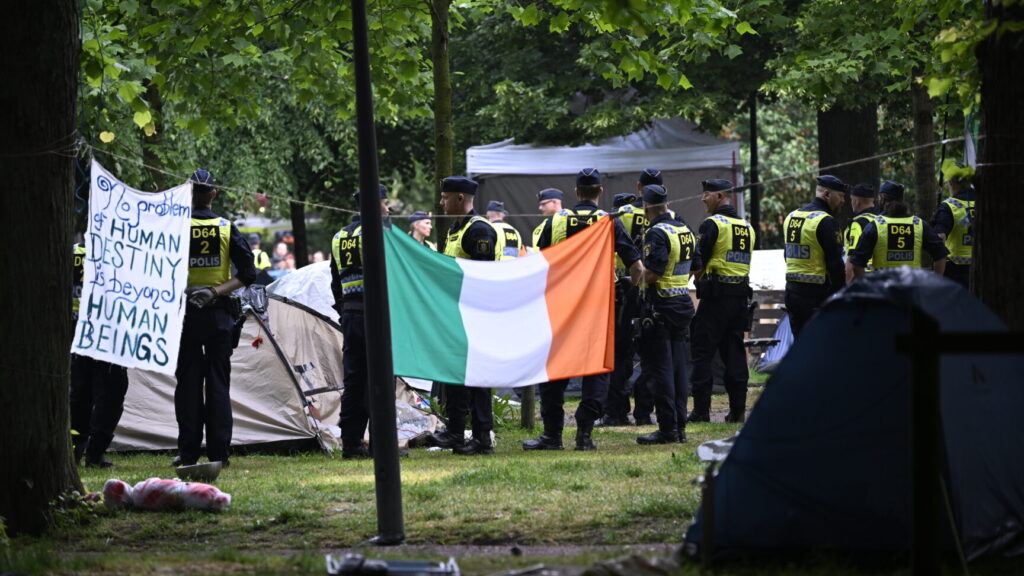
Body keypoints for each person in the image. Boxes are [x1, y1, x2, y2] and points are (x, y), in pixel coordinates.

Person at [524, 168, 644, 451]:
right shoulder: (609, 221)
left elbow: (539, 262)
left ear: (576, 191)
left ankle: (552, 435)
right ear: (600, 191)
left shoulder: (556, 222)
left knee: (555, 368)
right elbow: (637, 266)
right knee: (596, 368)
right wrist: (628, 285)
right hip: (600, 306)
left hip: (561, 305)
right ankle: (585, 434)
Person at [174, 169, 258, 468]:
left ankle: (187, 453)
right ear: (214, 193)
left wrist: (188, 291)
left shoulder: (174, 227)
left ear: (188, 192)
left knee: (187, 385)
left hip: (183, 315)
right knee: (218, 384)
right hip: (219, 315)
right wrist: (215, 291)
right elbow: (248, 274)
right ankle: (219, 453)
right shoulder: (226, 227)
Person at [426, 176, 504, 456]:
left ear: (460, 198)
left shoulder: (479, 230)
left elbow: (482, 276)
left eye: (445, 197)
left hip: (474, 313)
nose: (441, 202)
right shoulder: (454, 230)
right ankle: (456, 432)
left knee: (477, 376)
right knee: (453, 373)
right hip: (453, 313)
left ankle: (482, 436)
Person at [634, 184, 699, 444]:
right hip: (682, 303)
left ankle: (667, 429)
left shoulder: (656, 233)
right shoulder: (684, 229)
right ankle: (680, 426)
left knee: (660, 370)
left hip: (660, 307)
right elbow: (696, 266)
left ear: (646, 206)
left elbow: (653, 273)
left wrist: (632, 276)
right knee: (679, 369)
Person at [687, 179, 755, 424]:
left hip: (715, 299)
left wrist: (697, 278)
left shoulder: (712, 224)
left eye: (706, 194)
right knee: (735, 353)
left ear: (718, 196)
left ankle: (701, 411)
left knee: (702, 352)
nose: (702, 199)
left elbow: (699, 260)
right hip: (739, 299)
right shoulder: (747, 226)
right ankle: (737, 411)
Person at [330, 185, 390, 459]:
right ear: (375, 204)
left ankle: (351, 444)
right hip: (376, 316)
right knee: (379, 379)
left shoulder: (339, 236)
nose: (388, 209)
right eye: (385, 203)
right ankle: (381, 444)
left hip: (351, 316)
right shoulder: (380, 232)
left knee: (354, 382)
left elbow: (335, 281)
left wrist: (344, 311)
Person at [69, 242, 129, 468]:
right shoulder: (121, 251)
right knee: (111, 395)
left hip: (77, 332)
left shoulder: (72, 252)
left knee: (80, 394)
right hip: (108, 333)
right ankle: (94, 453)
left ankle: (76, 448)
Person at [783, 175, 848, 338]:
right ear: (827, 194)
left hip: (792, 294)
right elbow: (835, 265)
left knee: (799, 345)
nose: (843, 201)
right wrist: (839, 295)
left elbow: (787, 255)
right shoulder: (826, 221)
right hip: (816, 297)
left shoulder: (792, 217)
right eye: (840, 195)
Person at [848, 180, 948, 279]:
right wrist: (935, 281)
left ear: (882, 198)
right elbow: (941, 255)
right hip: (911, 288)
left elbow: (857, 263)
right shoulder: (919, 224)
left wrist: (869, 286)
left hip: (884, 289)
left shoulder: (875, 226)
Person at [930, 169, 975, 287]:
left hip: (956, 272)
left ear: (951, 183)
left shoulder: (949, 206)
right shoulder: (984, 202)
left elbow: (940, 237)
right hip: (983, 268)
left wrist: (938, 271)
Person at [843, 184, 878, 280]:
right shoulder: (881, 220)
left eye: (851, 199)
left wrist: (848, 288)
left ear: (856, 201)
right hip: (880, 276)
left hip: (862, 277)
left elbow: (852, 260)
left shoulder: (857, 223)